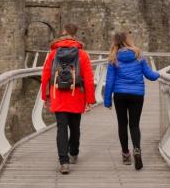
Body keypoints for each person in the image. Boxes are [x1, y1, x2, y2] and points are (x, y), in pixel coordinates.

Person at [41, 23, 96, 175]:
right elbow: (89, 79)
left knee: (61, 128)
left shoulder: (53, 53)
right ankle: (74, 153)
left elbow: (45, 75)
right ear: (75, 34)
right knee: (75, 127)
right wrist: (90, 99)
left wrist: (45, 96)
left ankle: (64, 162)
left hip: (57, 95)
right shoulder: (82, 54)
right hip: (76, 94)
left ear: (63, 34)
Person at [103, 31, 159, 170]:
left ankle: (126, 155)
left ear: (115, 42)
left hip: (120, 94)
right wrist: (159, 73)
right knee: (134, 125)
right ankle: (137, 149)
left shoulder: (113, 58)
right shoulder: (138, 55)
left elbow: (109, 81)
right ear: (128, 41)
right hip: (137, 94)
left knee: (122, 124)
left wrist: (107, 100)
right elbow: (150, 76)